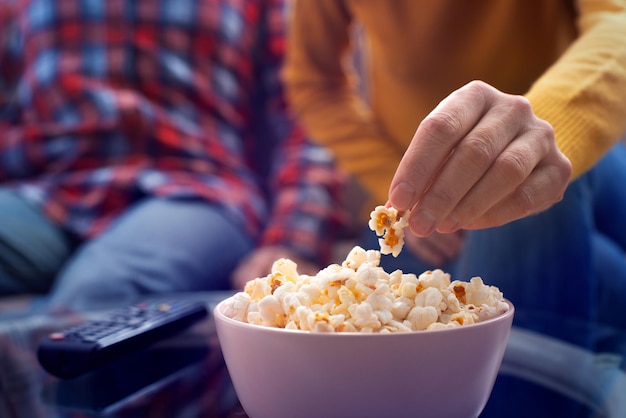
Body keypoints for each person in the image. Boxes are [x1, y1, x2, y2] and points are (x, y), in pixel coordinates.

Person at [284, 2, 626, 416]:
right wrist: (407, 192)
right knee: (596, 271)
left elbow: (617, 22)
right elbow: (314, 82)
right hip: (425, 208)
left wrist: (530, 139)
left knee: (514, 205)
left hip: (570, 146)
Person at [0, 0, 344, 313]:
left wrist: (292, 241)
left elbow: (305, 112)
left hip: (196, 189)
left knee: (98, 292)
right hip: (48, 191)